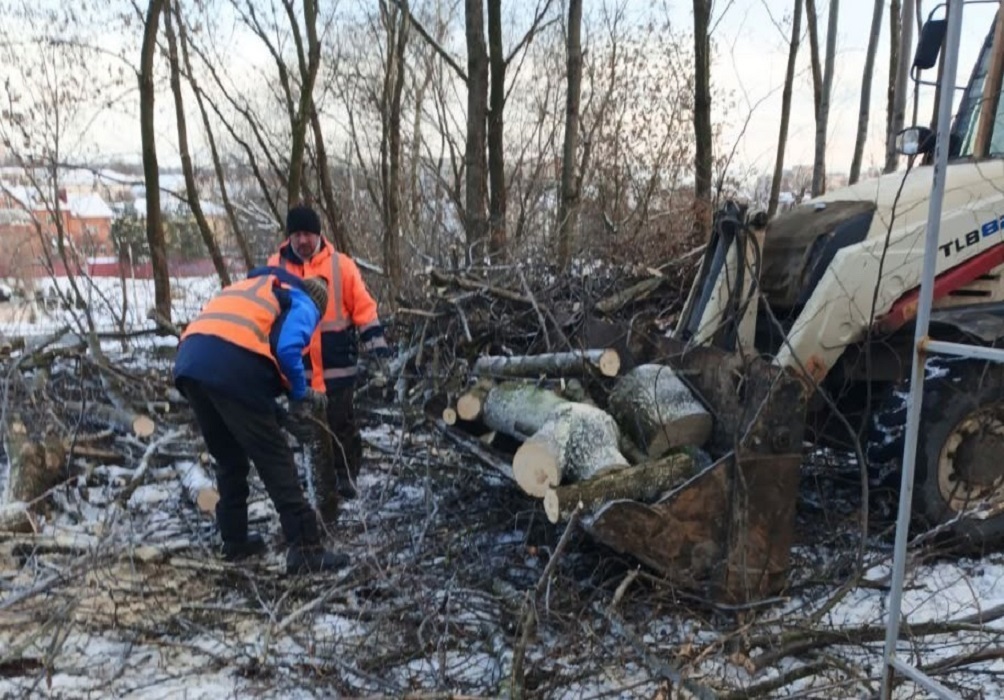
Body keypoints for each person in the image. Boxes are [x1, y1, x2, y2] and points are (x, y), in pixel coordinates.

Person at [173, 266, 348, 574]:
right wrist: (298, 395)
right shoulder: (304, 301)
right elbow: (287, 348)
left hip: (191, 362)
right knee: (275, 457)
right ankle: (305, 547)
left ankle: (234, 538)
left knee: (228, 457)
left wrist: (279, 417)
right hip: (231, 367)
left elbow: (248, 388)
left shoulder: (252, 290)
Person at [268, 204, 391, 518]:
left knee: (342, 424)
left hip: (339, 366)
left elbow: (364, 309)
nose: (302, 240)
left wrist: (378, 350)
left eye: (307, 233)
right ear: (289, 237)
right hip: (299, 372)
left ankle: (346, 476)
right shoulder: (275, 268)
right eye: (296, 234)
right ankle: (320, 489)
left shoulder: (342, 266)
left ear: (319, 233)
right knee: (309, 431)